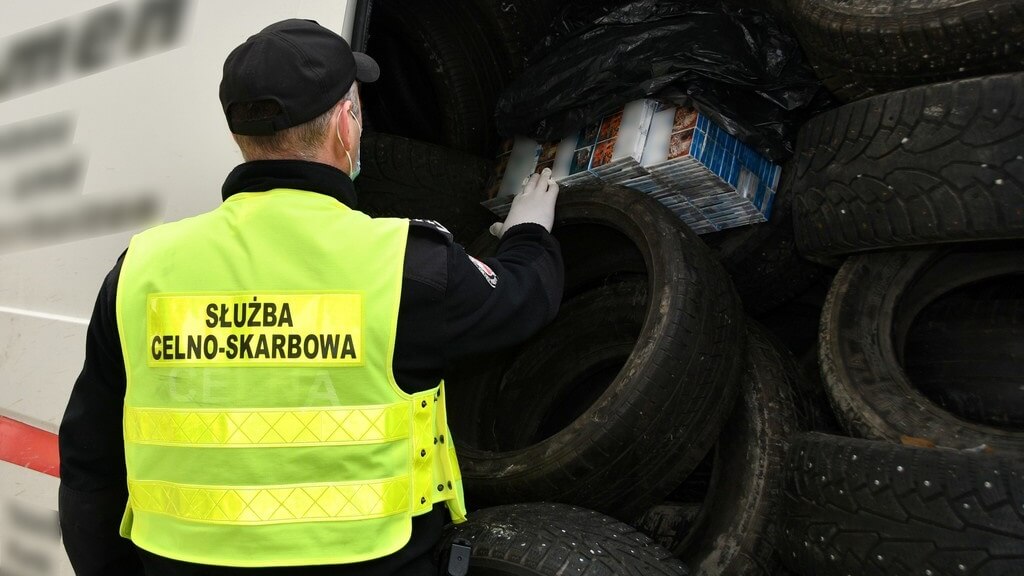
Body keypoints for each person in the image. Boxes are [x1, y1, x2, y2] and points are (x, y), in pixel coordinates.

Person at [58, 19, 563, 576]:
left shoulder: (140, 270)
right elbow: (523, 299)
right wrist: (530, 233)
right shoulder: (405, 263)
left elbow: (90, 469)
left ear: (240, 136)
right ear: (347, 126)